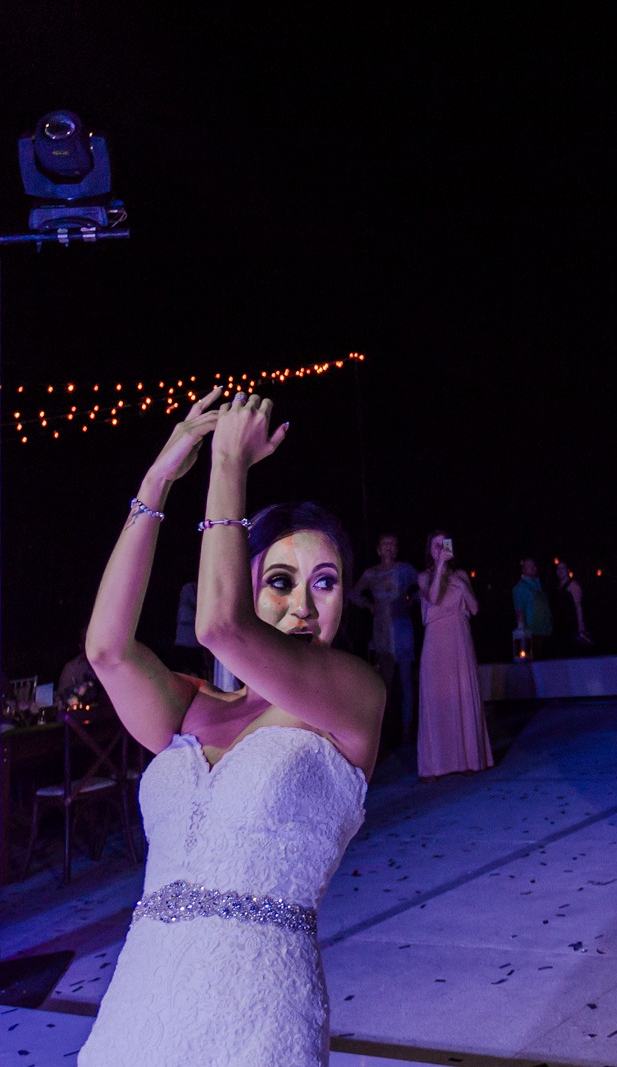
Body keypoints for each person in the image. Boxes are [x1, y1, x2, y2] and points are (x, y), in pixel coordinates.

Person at [79, 388, 384, 1066]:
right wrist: (157, 481)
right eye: (280, 579)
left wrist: (228, 463)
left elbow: (219, 625)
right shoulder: (191, 706)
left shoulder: (352, 696)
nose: (303, 603)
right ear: (242, 582)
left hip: (257, 1018)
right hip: (138, 1010)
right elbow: (105, 649)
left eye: (326, 581)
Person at [416, 531, 492, 779]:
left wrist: (462, 585)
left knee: (462, 693)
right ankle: (436, 766)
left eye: (444, 544)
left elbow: (475, 608)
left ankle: (469, 760)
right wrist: (440, 567)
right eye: (436, 545)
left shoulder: (460, 575)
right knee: (437, 700)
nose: (440, 548)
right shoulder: (424, 577)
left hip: (460, 637)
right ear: (430, 549)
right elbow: (434, 597)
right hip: (436, 641)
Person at [349, 535, 419, 745]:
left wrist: (411, 601)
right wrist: (369, 606)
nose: (388, 547)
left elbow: (423, 586)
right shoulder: (371, 573)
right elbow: (353, 593)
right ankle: (386, 731)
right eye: (384, 544)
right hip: (381, 630)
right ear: (378, 549)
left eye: (392, 544)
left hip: (402, 629)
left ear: (396, 549)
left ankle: (407, 730)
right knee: (384, 682)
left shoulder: (405, 569)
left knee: (406, 680)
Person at [512, 558, 553, 658]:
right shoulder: (519, 587)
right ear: (523, 569)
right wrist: (522, 634)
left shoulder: (539, 584)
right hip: (532, 634)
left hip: (547, 632)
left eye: (534, 565)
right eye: (529, 566)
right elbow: (519, 611)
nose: (532, 568)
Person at [551, 560, 593, 654]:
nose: (561, 570)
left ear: (567, 570)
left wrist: (581, 627)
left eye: (563, 568)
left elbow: (578, 607)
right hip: (561, 626)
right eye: (559, 568)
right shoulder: (558, 587)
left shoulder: (573, 586)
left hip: (571, 626)